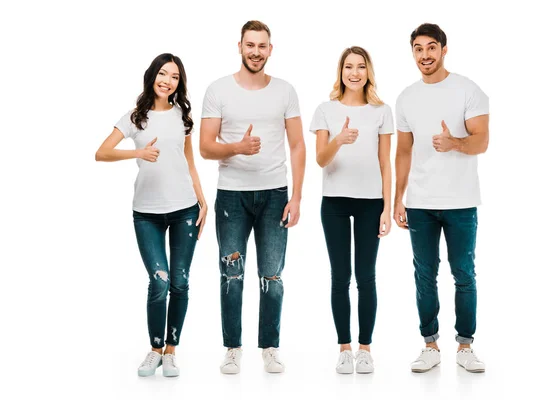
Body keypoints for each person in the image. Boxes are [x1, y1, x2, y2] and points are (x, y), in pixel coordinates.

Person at [199, 20, 306, 374]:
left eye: (262, 46)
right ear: (240, 46)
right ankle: (232, 348)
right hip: (232, 196)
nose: (256, 52)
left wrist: (298, 197)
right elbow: (205, 147)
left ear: (270, 49)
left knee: (272, 275)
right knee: (231, 273)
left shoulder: (285, 91)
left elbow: (297, 144)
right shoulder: (218, 90)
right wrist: (237, 148)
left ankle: (270, 347)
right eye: (250, 45)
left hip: (276, 194)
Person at [95, 53, 207, 377]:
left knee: (180, 282)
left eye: (174, 76)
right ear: (152, 76)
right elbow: (101, 152)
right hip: (146, 213)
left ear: (179, 83)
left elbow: (189, 161)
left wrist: (203, 201)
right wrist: (138, 152)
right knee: (159, 281)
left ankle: (171, 351)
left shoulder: (183, 115)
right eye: (162, 73)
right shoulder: (135, 117)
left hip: (184, 209)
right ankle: (154, 348)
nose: (167, 81)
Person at [394, 23, 489, 373]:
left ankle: (465, 346)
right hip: (420, 203)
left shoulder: (468, 90)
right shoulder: (406, 97)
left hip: (461, 201)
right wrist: (397, 199)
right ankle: (430, 345)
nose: (425, 55)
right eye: (418, 49)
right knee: (424, 274)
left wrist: (455, 143)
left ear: (444, 49)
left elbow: (482, 141)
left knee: (464, 273)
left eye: (431, 47)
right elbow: (402, 151)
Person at [310, 46, 393, 374]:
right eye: (348, 67)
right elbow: (320, 160)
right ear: (341, 72)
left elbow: (385, 162)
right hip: (335, 201)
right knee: (340, 276)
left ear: (368, 71)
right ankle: (344, 348)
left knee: (366, 277)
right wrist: (339, 139)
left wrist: (387, 207)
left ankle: (365, 348)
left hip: (371, 201)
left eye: (360, 67)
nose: (354, 73)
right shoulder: (325, 110)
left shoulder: (382, 111)